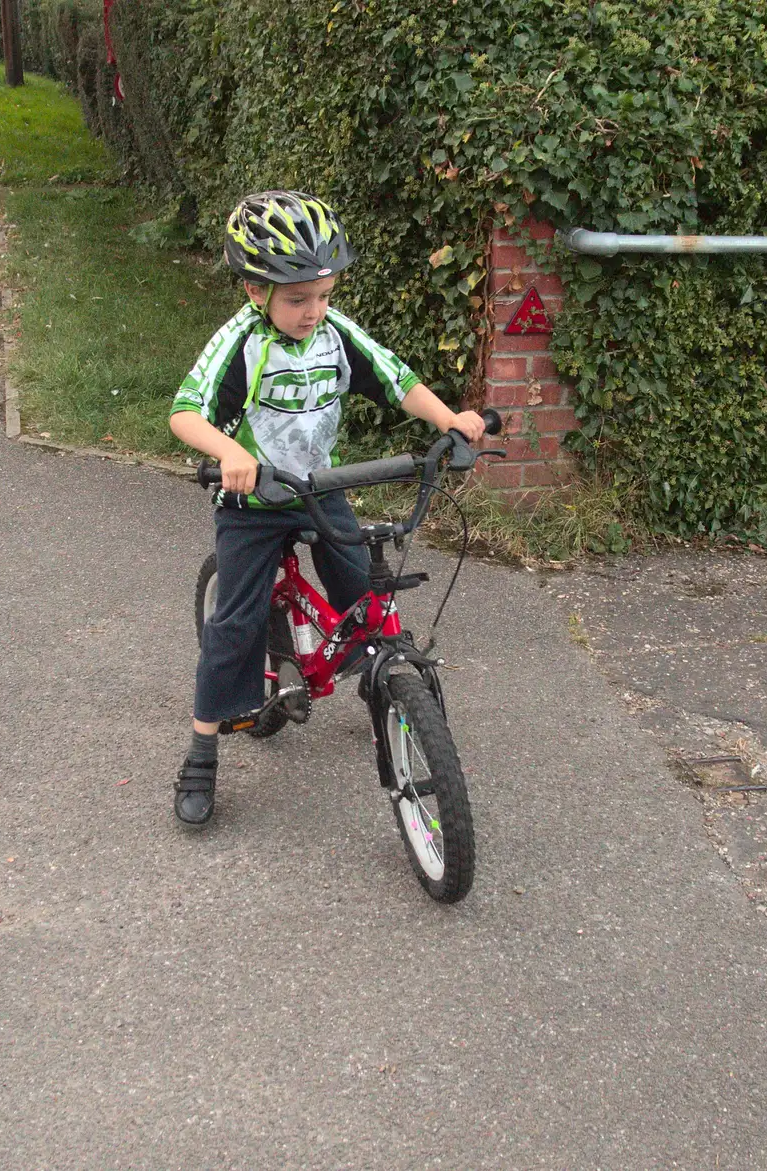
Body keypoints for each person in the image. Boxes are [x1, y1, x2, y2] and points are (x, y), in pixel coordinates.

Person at [167, 190, 486, 827]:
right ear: (257, 293)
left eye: (324, 294)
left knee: (365, 593)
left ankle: (390, 693)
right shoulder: (240, 344)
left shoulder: (333, 333)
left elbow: (394, 377)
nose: (314, 311)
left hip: (319, 485)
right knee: (235, 623)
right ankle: (202, 749)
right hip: (254, 499)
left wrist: (451, 420)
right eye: (297, 299)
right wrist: (231, 451)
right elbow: (184, 413)